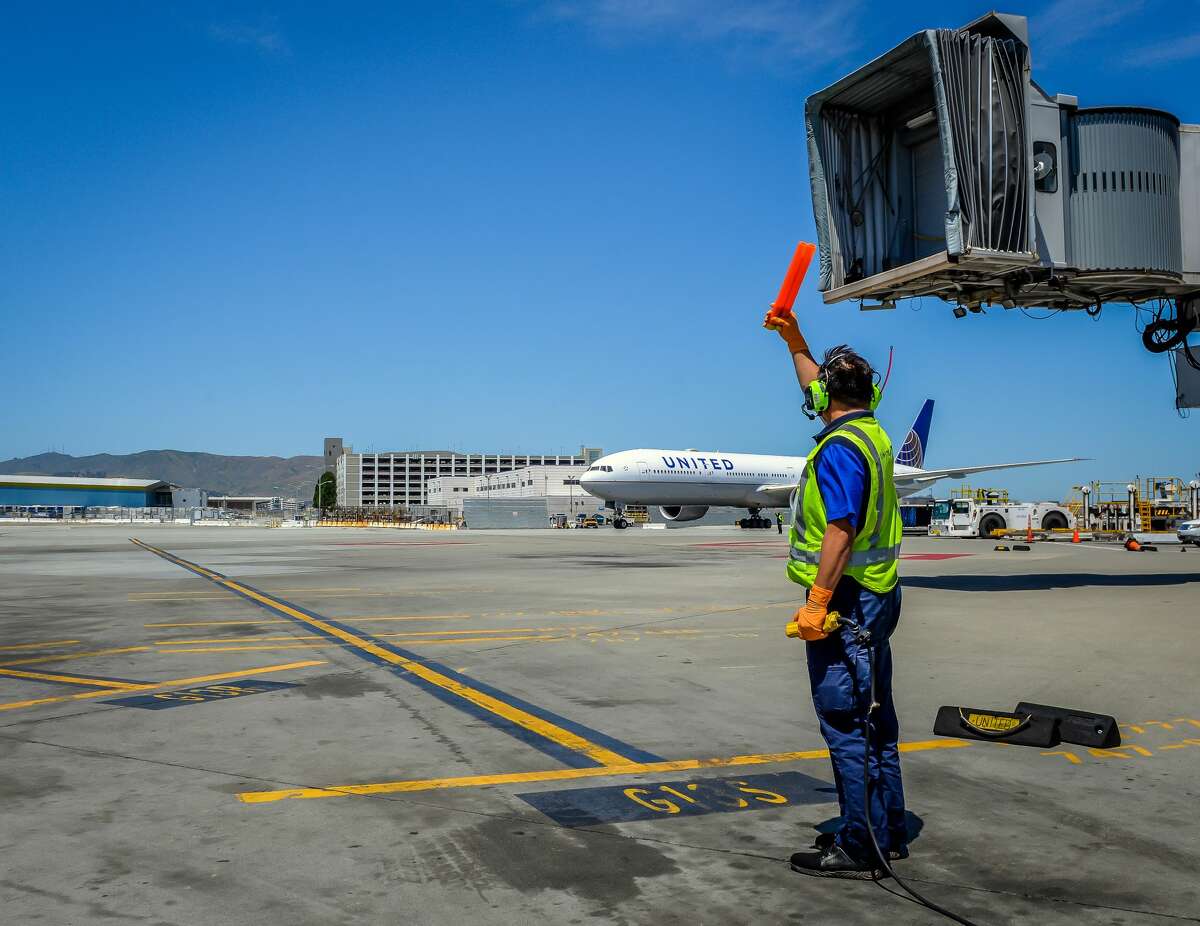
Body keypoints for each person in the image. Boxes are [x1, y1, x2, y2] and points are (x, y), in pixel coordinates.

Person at [764, 308, 907, 880]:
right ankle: (887, 826)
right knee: (877, 719)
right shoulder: (869, 431)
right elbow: (813, 384)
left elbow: (841, 528)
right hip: (876, 596)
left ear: (827, 394)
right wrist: (795, 339)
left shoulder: (840, 449)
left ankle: (859, 843)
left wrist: (818, 600)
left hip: (846, 602)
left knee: (846, 721)